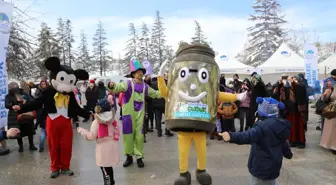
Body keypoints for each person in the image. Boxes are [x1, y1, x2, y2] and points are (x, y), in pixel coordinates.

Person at [219, 97, 293, 185]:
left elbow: (247, 136)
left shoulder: (261, 127)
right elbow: (284, 144)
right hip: (273, 170)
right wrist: (289, 154)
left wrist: (231, 136)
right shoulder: (279, 127)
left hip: (260, 170)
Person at [107, 59, 162, 168]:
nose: (140, 73)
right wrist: (111, 85)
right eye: (138, 72)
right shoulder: (127, 83)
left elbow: (155, 94)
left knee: (140, 136)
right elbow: (117, 88)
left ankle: (139, 157)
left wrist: (166, 92)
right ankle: (129, 157)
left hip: (140, 115)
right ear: (133, 74)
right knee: (128, 136)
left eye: (141, 71)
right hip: (128, 115)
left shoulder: (145, 86)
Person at [77, 99, 120, 185]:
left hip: (103, 150)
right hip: (112, 147)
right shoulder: (113, 120)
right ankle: (111, 182)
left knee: (104, 169)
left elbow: (91, 136)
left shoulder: (96, 122)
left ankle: (108, 183)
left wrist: (82, 131)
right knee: (109, 168)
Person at [5, 82, 37, 152]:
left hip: (25, 113)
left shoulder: (23, 93)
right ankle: (21, 146)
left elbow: (31, 101)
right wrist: (13, 105)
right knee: (18, 131)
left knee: (29, 130)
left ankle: (31, 145)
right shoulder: (8, 96)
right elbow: (6, 104)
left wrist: (24, 101)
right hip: (15, 115)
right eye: (12, 88)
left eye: (15, 87)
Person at [320, 84, 336, 155]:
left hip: (333, 112)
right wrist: (326, 94)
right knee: (332, 130)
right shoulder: (333, 86)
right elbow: (326, 99)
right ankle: (333, 146)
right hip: (332, 111)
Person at [34, 80, 49, 152]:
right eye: (42, 84)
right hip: (42, 113)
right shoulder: (38, 92)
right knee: (44, 131)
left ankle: (48, 146)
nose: (43, 85)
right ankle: (41, 146)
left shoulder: (49, 92)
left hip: (49, 113)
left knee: (47, 131)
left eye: (44, 84)